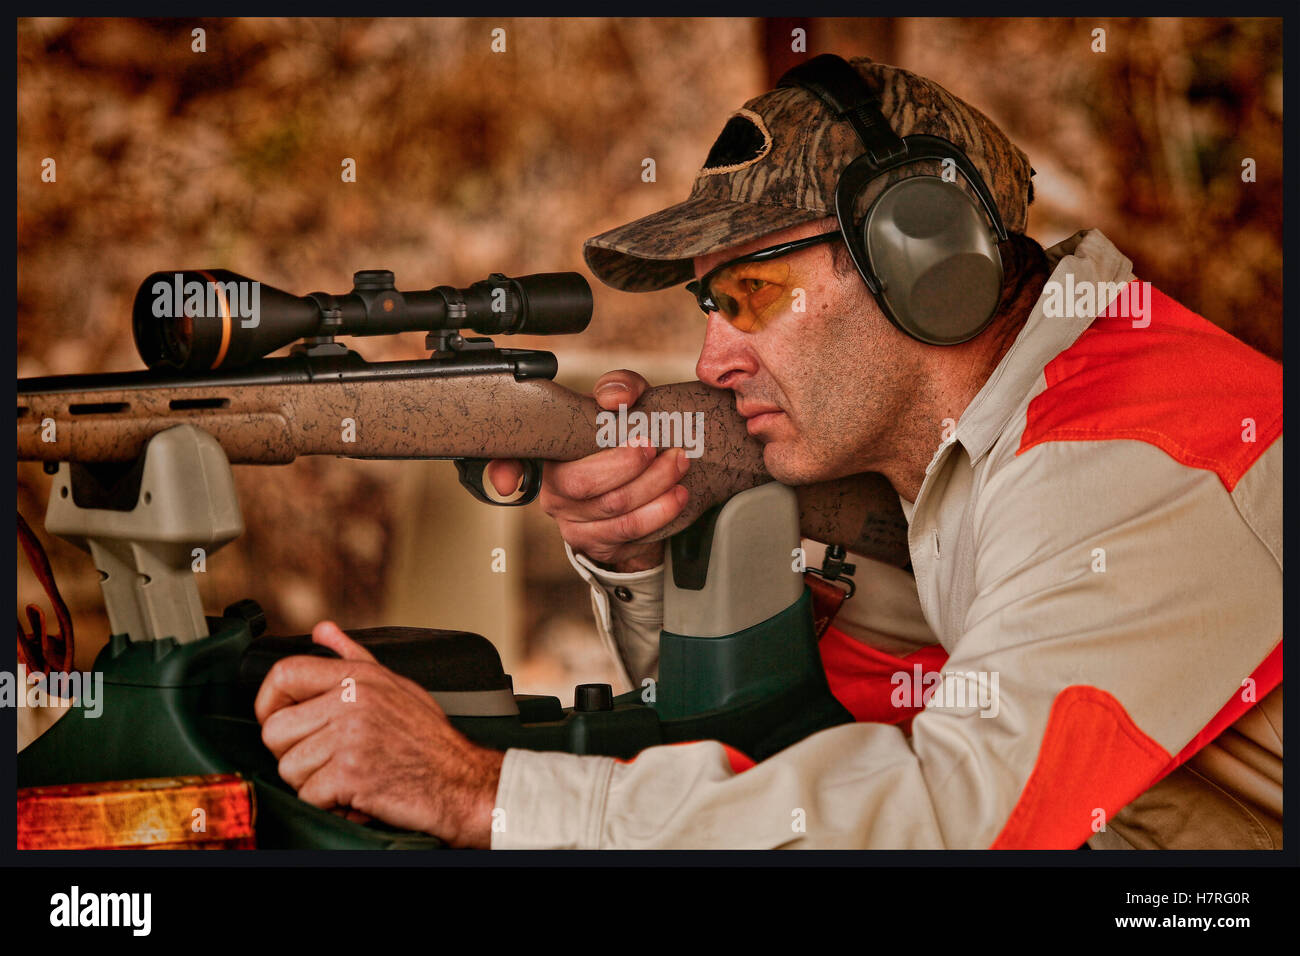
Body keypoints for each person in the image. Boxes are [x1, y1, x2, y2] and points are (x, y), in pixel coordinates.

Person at [255, 55, 1282, 849]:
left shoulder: (1128, 457)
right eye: (710, 301)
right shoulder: (956, 460)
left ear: (923, 261)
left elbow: (947, 825)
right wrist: (645, 551)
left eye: (751, 295)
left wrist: (473, 791)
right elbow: (787, 735)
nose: (712, 353)